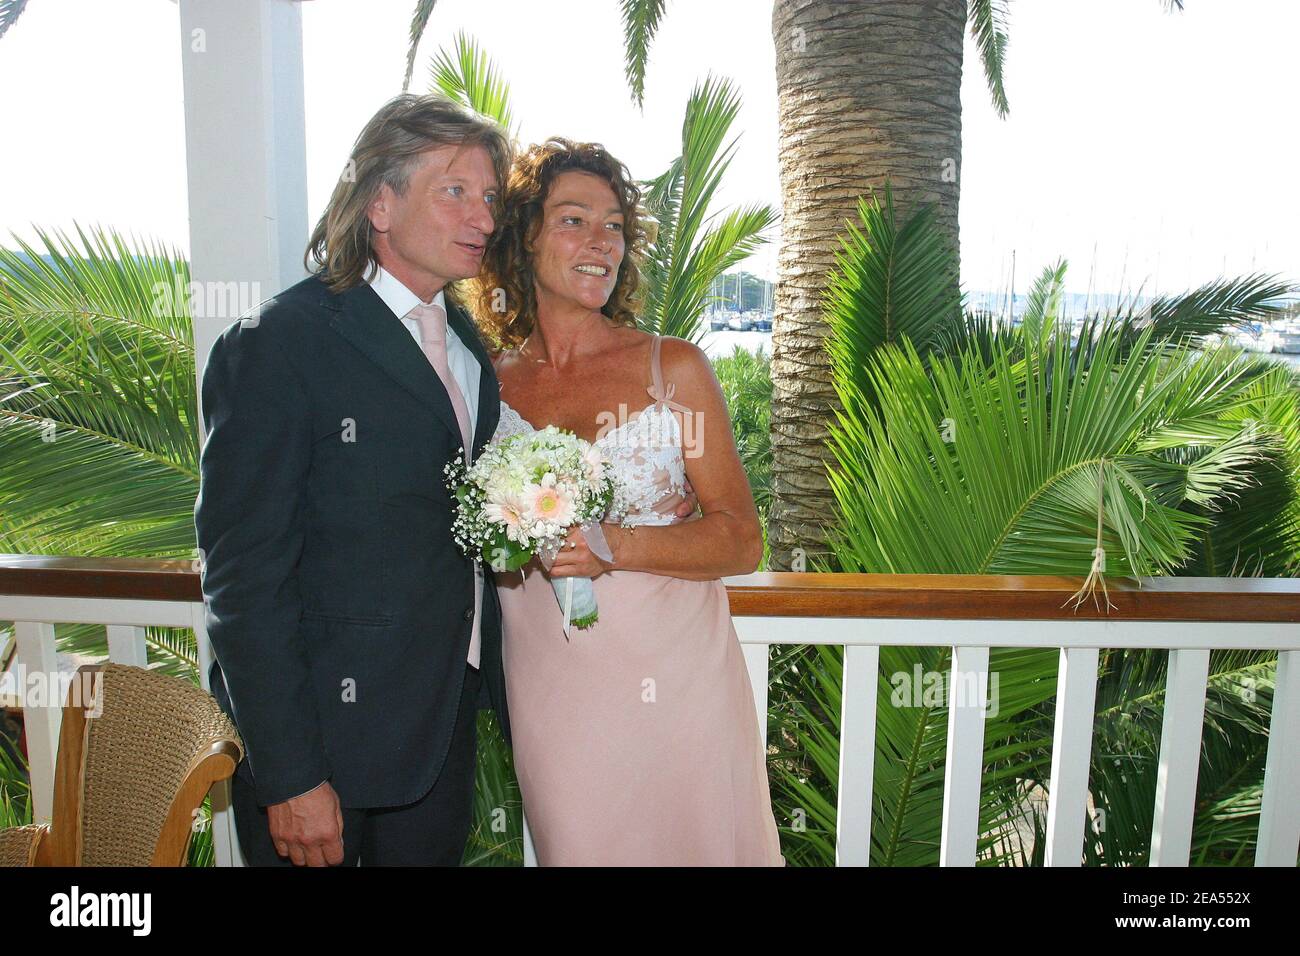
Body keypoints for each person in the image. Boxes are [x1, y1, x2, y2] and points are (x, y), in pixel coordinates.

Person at [194, 94, 515, 866]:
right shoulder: (279, 342)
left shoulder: (467, 347)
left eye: (490, 197)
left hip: (439, 733)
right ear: (380, 202)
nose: (483, 217)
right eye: (455, 192)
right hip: (323, 750)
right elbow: (243, 577)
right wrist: (291, 775)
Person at [473, 138, 785, 865]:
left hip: (680, 689)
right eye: (574, 220)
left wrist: (618, 545)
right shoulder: (486, 384)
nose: (601, 243)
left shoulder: (672, 367)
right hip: (556, 695)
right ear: (525, 237)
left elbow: (740, 538)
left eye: (614, 224)